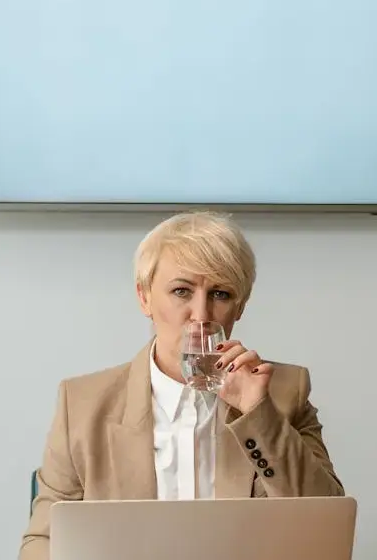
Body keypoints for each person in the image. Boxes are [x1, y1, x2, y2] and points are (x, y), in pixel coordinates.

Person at [19, 210, 344, 560]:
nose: (201, 315)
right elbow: (42, 542)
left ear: (240, 307)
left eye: (220, 294)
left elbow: (326, 531)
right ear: (144, 297)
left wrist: (257, 415)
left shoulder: (284, 393)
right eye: (181, 291)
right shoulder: (81, 405)